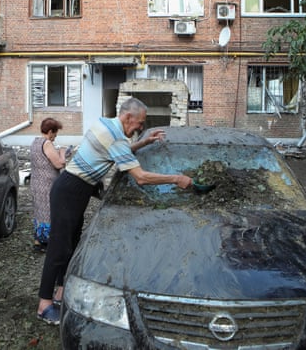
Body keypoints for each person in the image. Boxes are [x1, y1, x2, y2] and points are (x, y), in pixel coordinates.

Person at [36, 97, 192, 325]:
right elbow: (140, 177)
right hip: (70, 190)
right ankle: (44, 304)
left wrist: (145, 142)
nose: (140, 127)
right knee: (59, 247)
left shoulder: (104, 124)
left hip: (76, 190)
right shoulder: (115, 137)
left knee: (70, 243)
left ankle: (60, 294)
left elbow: (119, 151)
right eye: (140, 123)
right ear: (128, 117)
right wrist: (176, 178)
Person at [29, 117, 67, 252]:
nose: (56, 137)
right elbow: (58, 164)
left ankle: (38, 241)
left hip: (36, 183)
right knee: (50, 212)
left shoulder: (35, 142)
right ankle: (49, 242)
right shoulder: (47, 143)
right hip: (47, 185)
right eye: (55, 133)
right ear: (50, 131)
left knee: (39, 212)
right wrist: (63, 153)